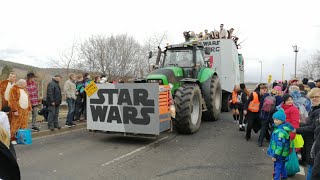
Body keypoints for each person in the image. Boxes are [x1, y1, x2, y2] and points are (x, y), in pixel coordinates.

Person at [294, 88, 320, 179]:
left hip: (315, 144)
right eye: (312, 97)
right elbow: (311, 124)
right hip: (311, 143)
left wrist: (296, 130)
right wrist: (300, 124)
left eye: (317, 97)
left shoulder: (318, 111)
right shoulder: (314, 109)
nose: (314, 99)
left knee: (313, 171)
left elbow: (313, 128)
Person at [267, 108, 294, 180]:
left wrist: (275, 156)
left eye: (277, 120)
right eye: (274, 119)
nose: (275, 121)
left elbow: (279, 146)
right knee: (282, 166)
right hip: (283, 154)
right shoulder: (283, 128)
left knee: (277, 168)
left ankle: (276, 178)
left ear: (282, 120)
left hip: (279, 154)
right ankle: (284, 177)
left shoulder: (280, 132)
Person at [8, 79, 32, 144]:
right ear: (21, 84)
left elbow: (28, 100)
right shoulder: (14, 89)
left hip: (25, 110)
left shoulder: (25, 90)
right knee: (15, 124)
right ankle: (13, 138)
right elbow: (12, 101)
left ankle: (22, 138)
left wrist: (29, 109)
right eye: (25, 83)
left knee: (24, 124)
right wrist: (14, 110)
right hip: (18, 110)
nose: (26, 85)